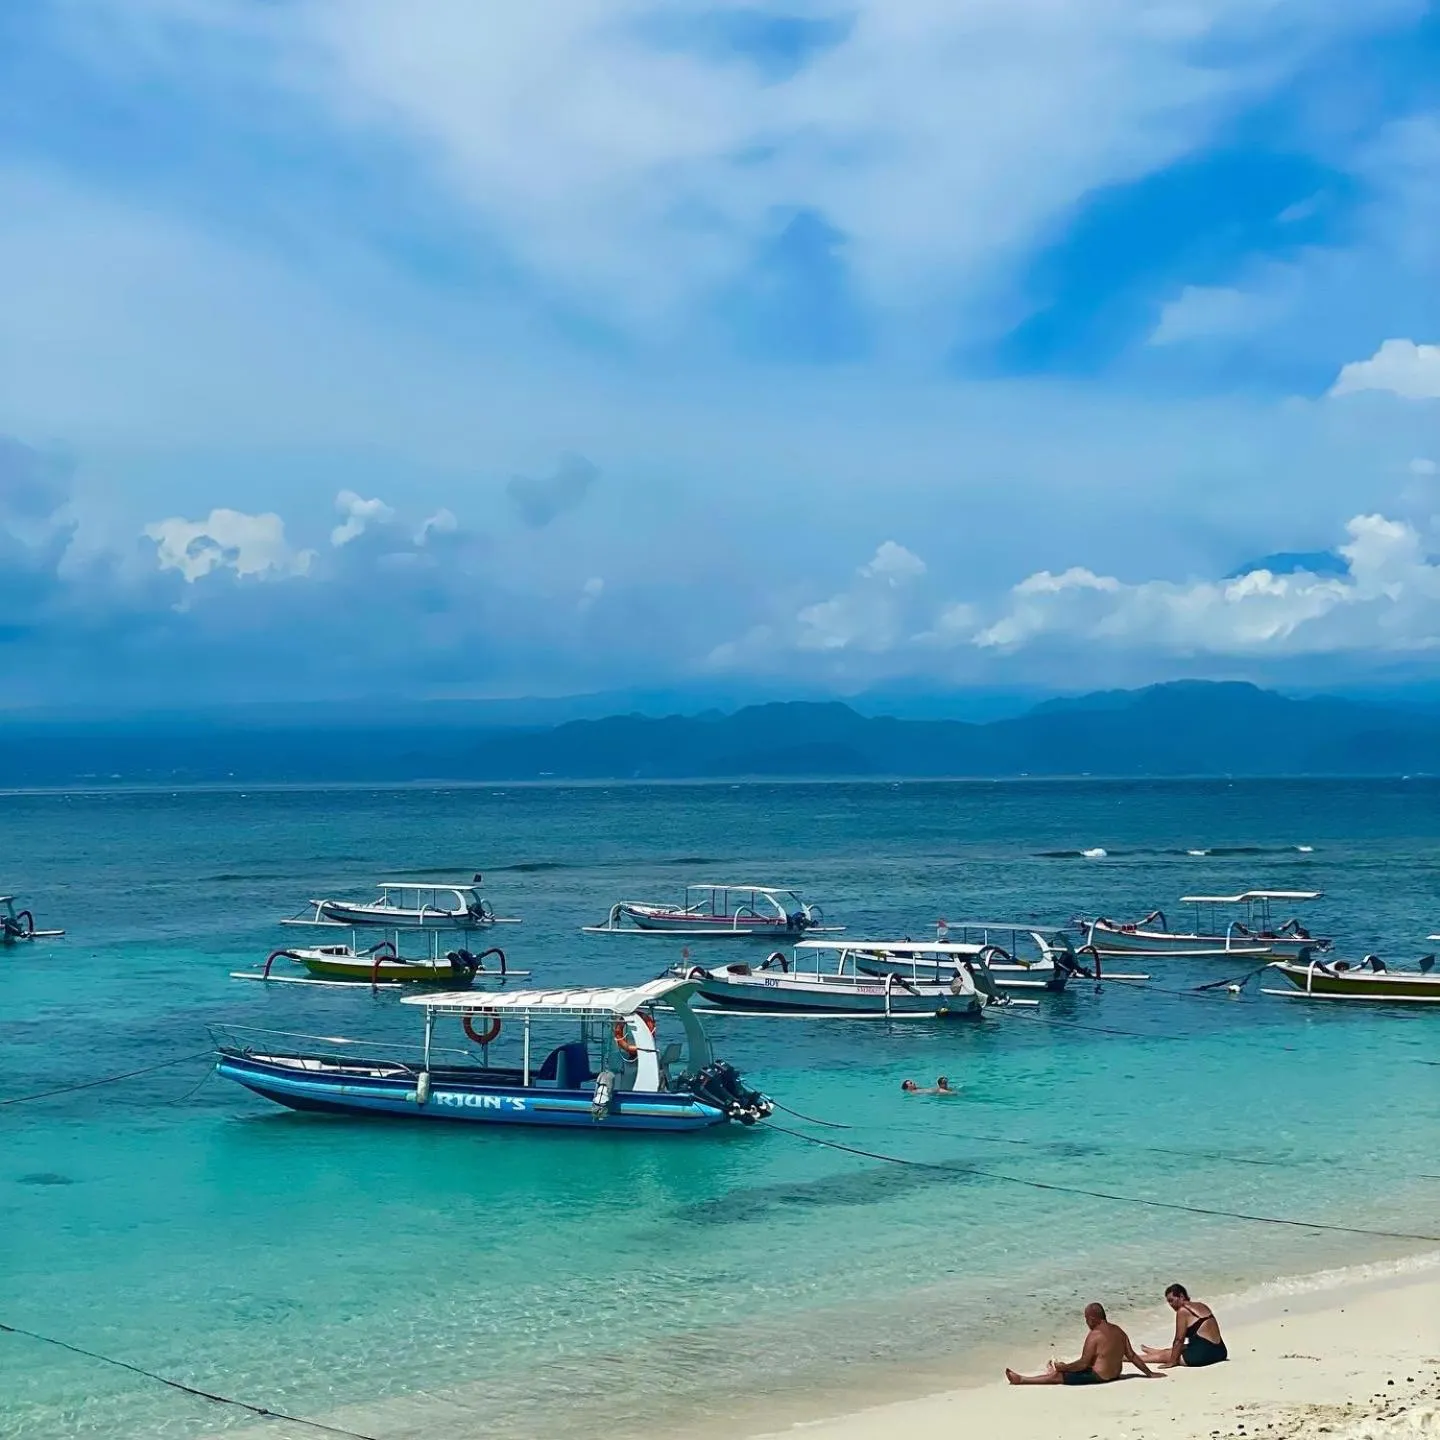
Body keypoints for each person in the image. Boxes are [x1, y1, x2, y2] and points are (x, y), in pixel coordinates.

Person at [1006, 1303, 1162, 1386]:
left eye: (1086, 1319)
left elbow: (1082, 1364)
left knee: (1058, 1376)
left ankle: (1022, 1380)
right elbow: (1132, 1356)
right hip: (1114, 1374)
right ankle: (1051, 1371)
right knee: (1067, 1369)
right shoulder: (1118, 1331)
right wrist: (1149, 1373)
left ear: (1093, 1318)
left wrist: (1063, 1368)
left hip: (1100, 1377)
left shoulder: (1095, 1335)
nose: (1086, 1322)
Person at [1140, 1284, 1228, 1368]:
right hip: (1220, 1351)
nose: (1170, 1304)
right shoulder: (1201, 1305)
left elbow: (1179, 1339)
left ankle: (1130, 1357)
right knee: (1177, 1349)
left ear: (1181, 1296)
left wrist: (1172, 1361)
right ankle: (1155, 1351)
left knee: (1165, 1355)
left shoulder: (1183, 1311)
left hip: (1202, 1356)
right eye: (1168, 1302)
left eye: (1171, 1300)